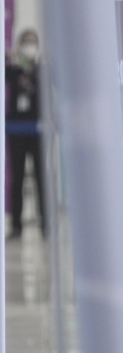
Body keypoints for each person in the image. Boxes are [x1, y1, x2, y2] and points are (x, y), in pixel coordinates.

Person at [6, 29, 46, 240]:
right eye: (26, 43)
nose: (29, 46)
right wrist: (9, 58)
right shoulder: (13, 70)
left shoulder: (40, 70)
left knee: (41, 177)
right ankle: (16, 226)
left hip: (38, 131)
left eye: (32, 42)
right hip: (16, 130)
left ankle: (46, 226)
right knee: (17, 178)